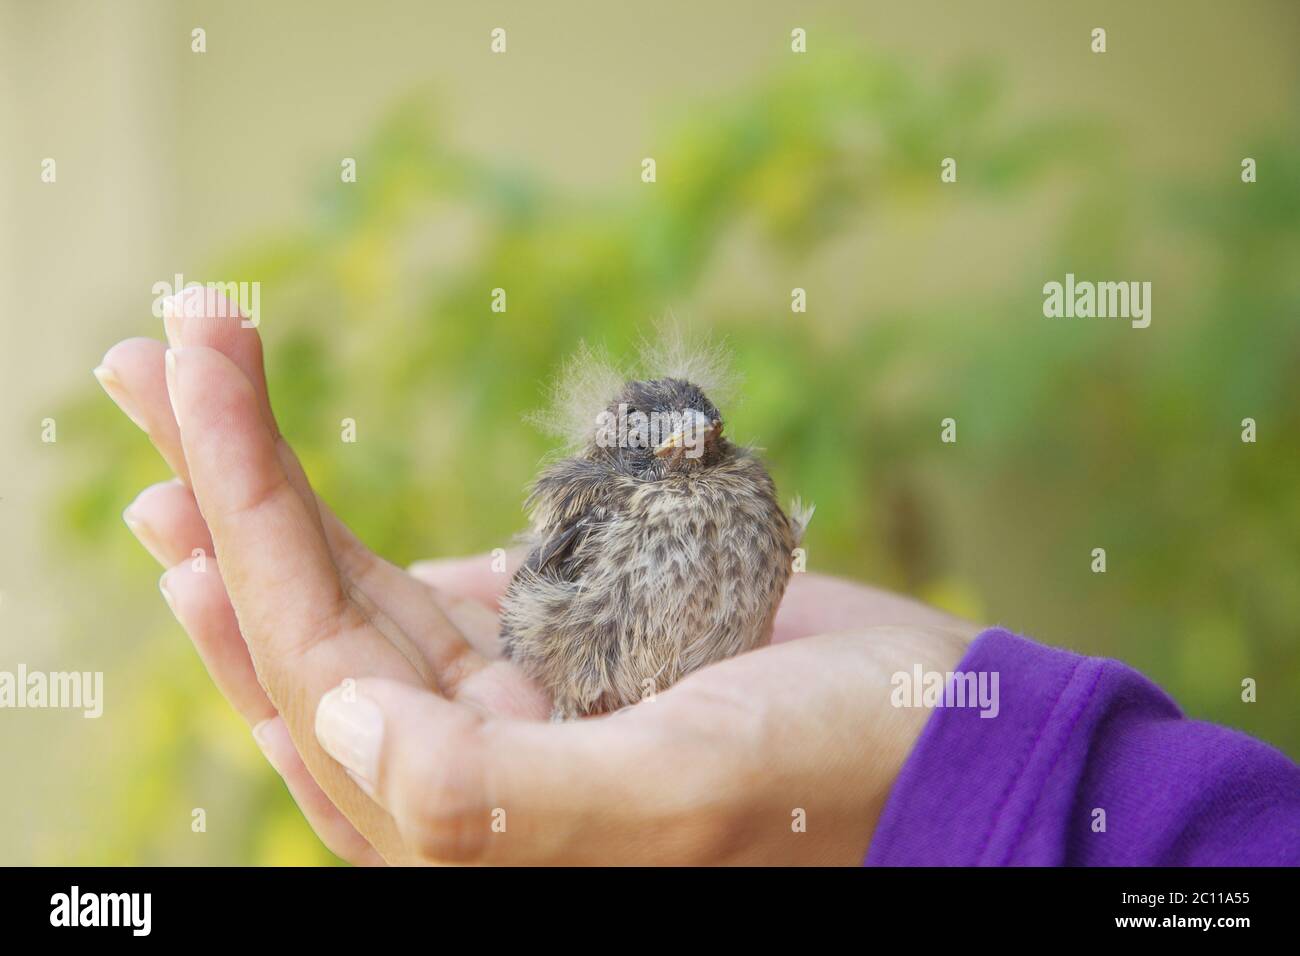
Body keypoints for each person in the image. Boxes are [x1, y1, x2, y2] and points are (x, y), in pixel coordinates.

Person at [92, 289, 1300, 866]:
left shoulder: (749, 503)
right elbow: (537, 613)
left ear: (713, 445)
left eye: (699, 452)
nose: (686, 471)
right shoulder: (592, 508)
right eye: (658, 457)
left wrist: (947, 764)